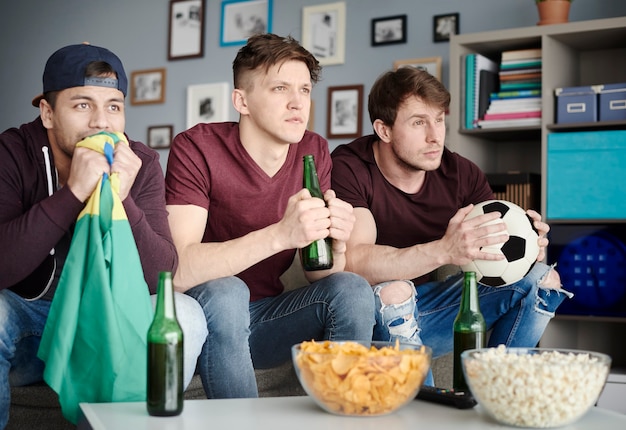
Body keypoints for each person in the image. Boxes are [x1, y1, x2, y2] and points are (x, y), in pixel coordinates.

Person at [0, 43, 207, 427]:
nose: (102, 123)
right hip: (33, 328)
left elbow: (161, 275)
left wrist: (124, 198)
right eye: (82, 105)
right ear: (47, 113)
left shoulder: (140, 162)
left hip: (110, 321)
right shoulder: (11, 153)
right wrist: (73, 192)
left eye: (113, 106)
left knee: (187, 315)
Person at [165, 33, 375, 399]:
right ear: (241, 100)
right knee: (228, 289)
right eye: (280, 88)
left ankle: (345, 414)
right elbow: (179, 270)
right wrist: (280, 235)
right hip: (205, 321)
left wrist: (336, 245)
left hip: (266, 320)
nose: (297, 103)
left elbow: (318, 273)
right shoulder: (196, 147)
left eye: (305, 90)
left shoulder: (314, 149)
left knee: (352, 289)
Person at [331, 67, 573, 379]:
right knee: (394, 291)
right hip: (373, 322)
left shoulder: (460, 173)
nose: (435, 135)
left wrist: (526, 245)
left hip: (432, 312)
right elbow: (352, 262)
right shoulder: (350, 167)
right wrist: (443, 250)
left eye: (439, 119)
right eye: (419, 122)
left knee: (543, 280)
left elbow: (493, 250)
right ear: (384, 130)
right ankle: (420, 413)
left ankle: (493, 396)